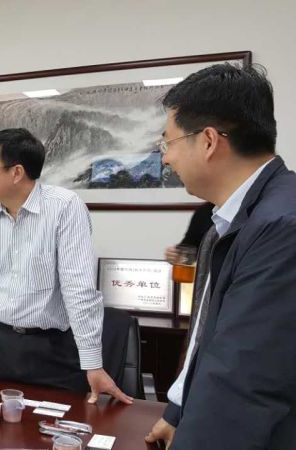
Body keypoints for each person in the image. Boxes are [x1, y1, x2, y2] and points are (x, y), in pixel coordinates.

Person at [144, 64, 296, 450]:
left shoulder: (282, 226)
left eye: (168, 143)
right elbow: (207, 340)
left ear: (208, 141)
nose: (166, 159)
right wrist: (177, 412)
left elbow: (242, 380)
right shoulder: (228, 221)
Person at [0, 128, 132, 405]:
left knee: (52, 425)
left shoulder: (64, 208)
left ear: (16, 173)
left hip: (53, 350)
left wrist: (93, 364)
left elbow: (78, 290)